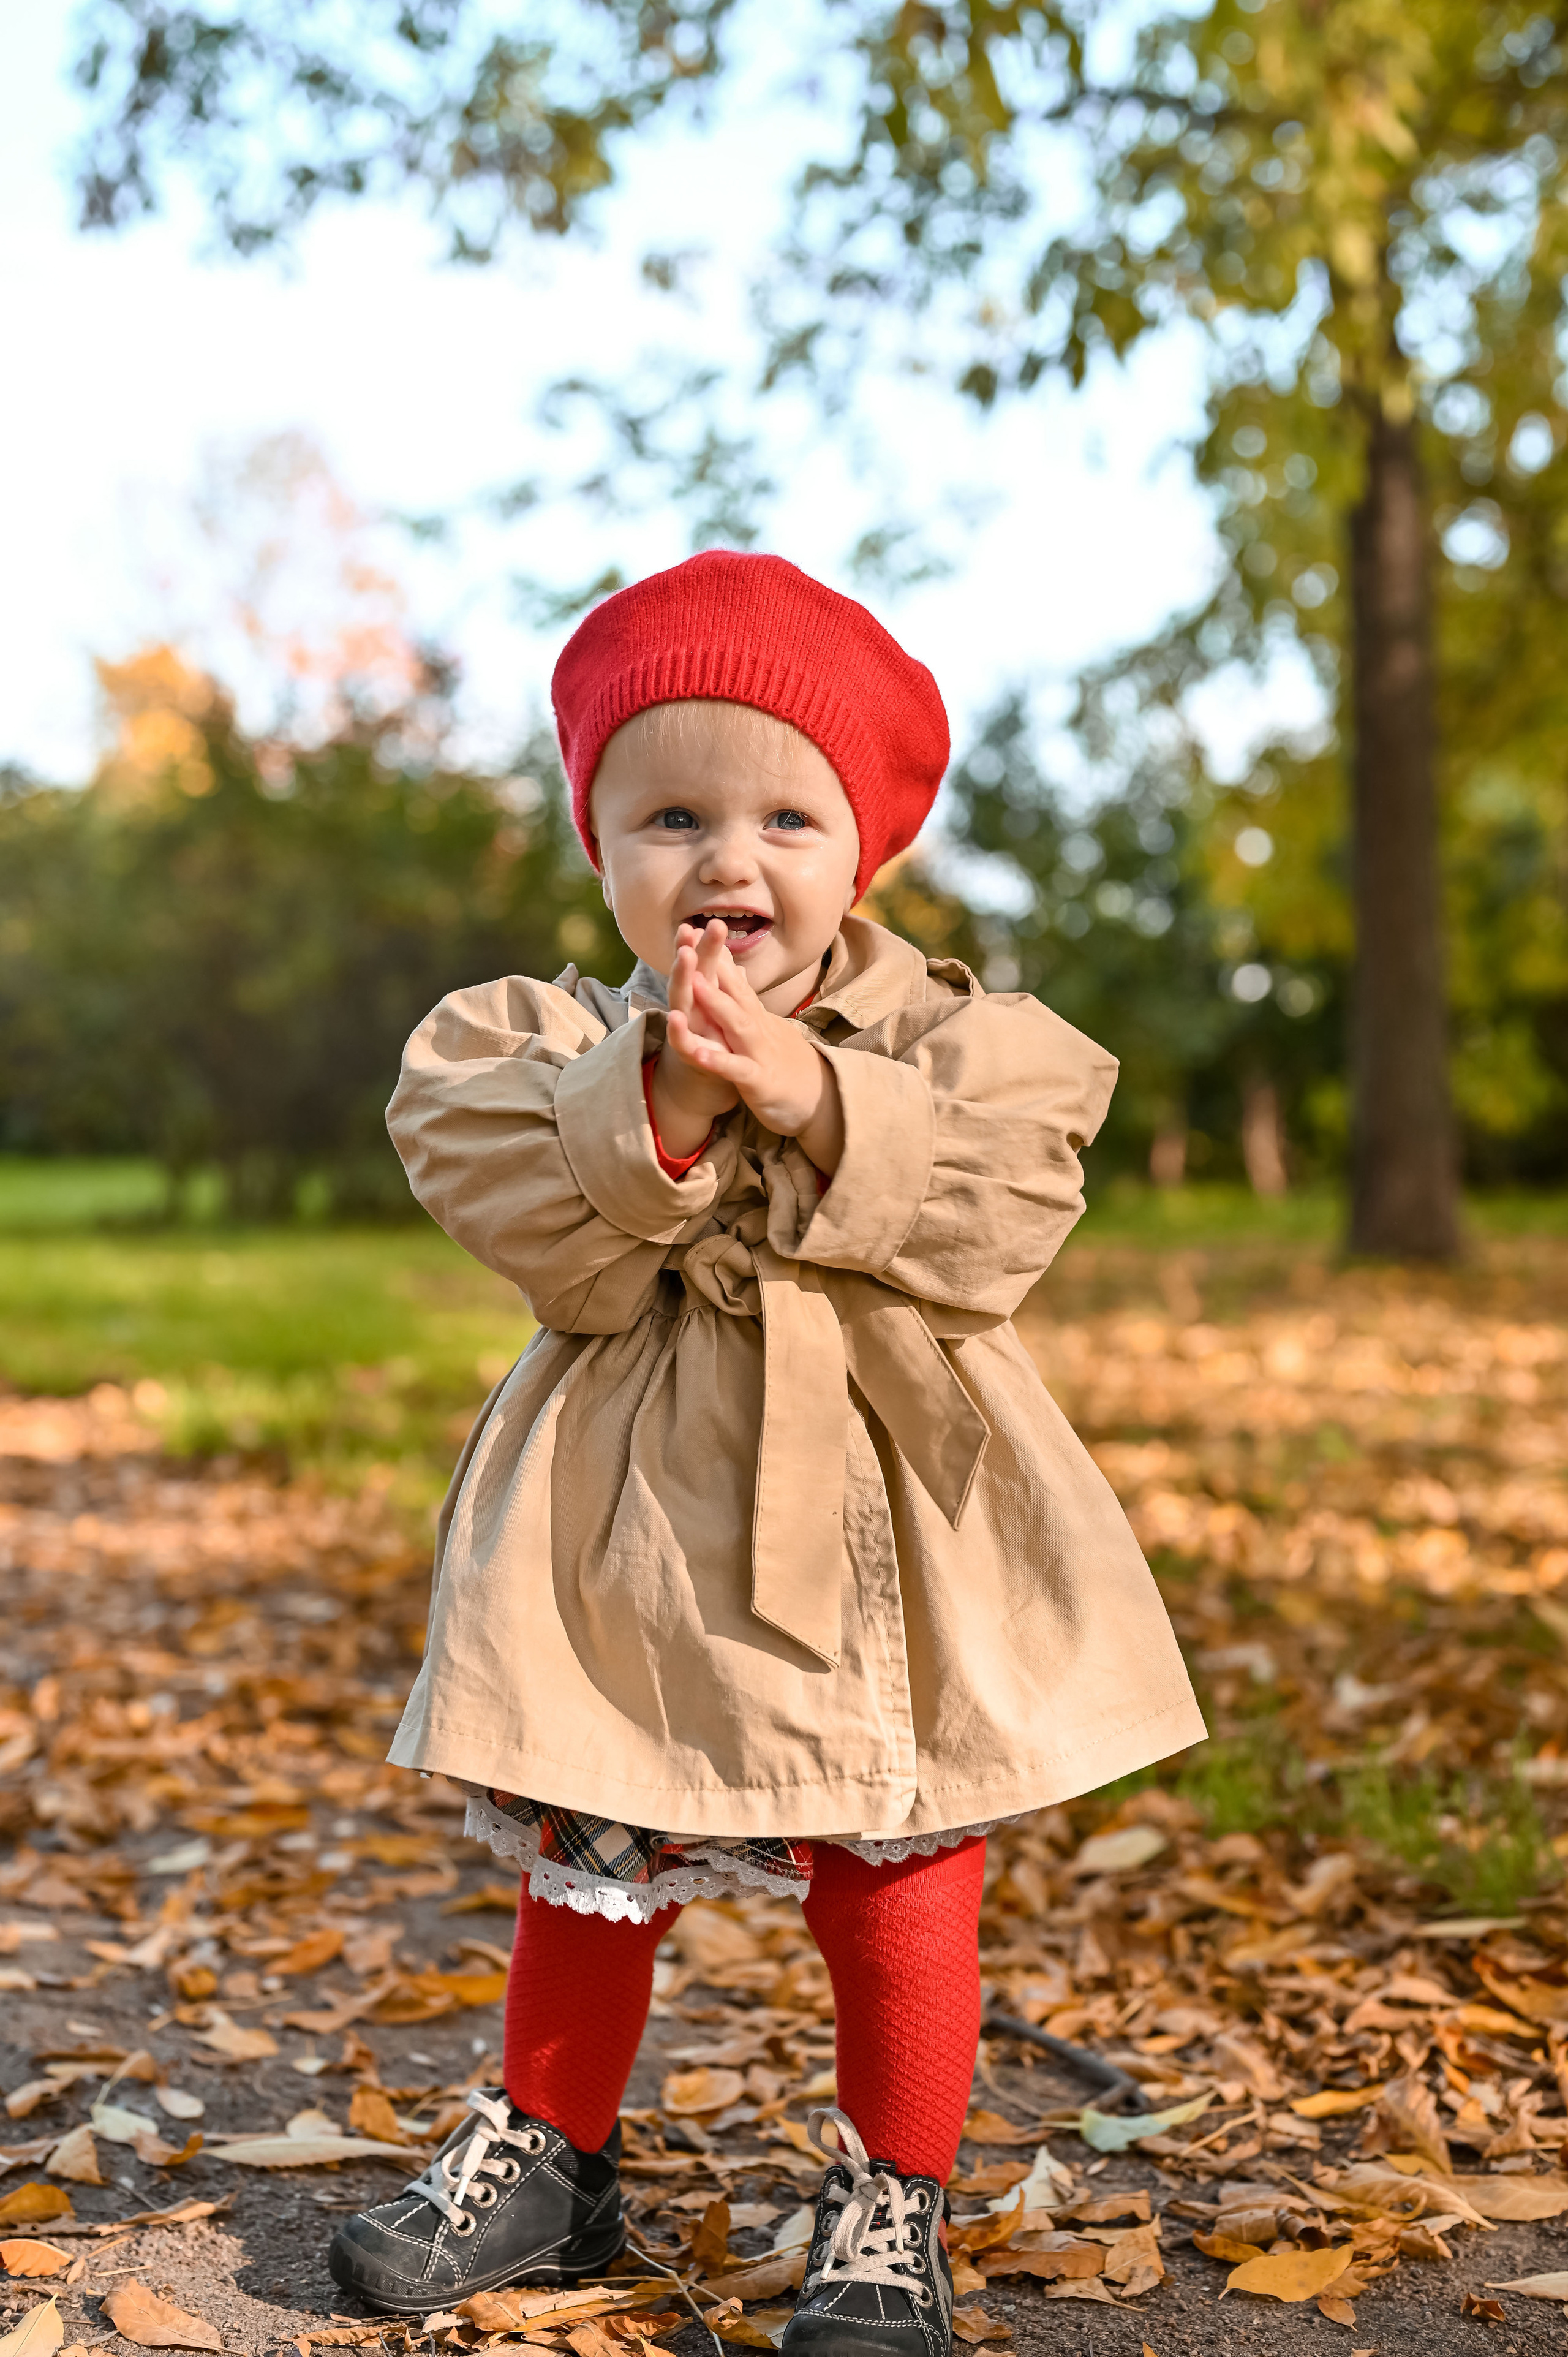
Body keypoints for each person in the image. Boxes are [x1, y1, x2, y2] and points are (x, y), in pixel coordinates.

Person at [328, 552, 1204, 2353]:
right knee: (595, 1812)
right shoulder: (549, 1044)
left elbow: (1002, 1218)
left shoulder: (954, 1043)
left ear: (861, 853)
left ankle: (893, 2193)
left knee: (895, 1857)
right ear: (601, 852)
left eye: (786, 817)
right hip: (629, 1515)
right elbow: (526, 1214)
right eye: (671, 816)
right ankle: (556, 2150)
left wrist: (819, 1100)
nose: (729, 860)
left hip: (881, 1512)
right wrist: (655, 1100)